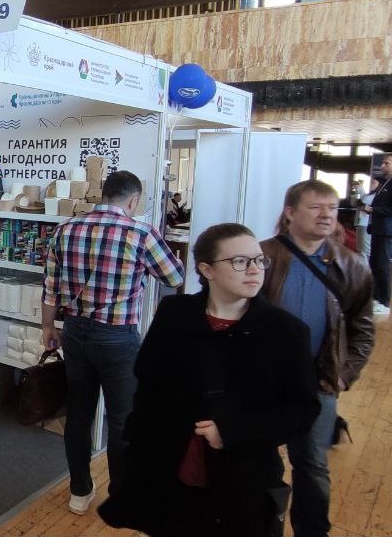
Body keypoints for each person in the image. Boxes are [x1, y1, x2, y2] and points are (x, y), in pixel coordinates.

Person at [99, 223, 320, 537]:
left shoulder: (286, 332)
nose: (254, 269)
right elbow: (148, 383)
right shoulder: (175, 313)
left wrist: (231, 432)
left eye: (259, 260)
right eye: (240, 261)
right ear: (207, 269)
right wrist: (135, 453)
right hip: (169, 470)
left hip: (241, 480)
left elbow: (301, 411)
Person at [41, 170, 184, 514]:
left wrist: (47, 327)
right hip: (117, 337)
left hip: (74, 331)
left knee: (79, 415)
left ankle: (79, 492)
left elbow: (50, 287)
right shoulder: (140, 232)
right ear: (133, 200)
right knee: (122, 419)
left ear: (103, 195)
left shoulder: (66, 229)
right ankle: (120, 494)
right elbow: (175, 277)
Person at [259, 180, 375, 537]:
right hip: (263, 380)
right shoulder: (262, 257)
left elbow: (362, 329)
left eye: (332, 207)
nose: (326, 214)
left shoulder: (351, 265)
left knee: (311, 465)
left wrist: (343, 374)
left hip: (318, 380)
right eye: (315, 207)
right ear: (290, 213)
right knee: (258, 461)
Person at [362, 154, 392, 315]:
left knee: (382, 265)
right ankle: (376, 297)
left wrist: (374, 210)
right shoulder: (384, 183)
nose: (382, 166)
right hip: (377, 228)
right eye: (383, 163)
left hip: (386, 230)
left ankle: (385, 302)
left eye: (386, 163)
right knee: (374, 264)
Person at [354, 178, 378, 261]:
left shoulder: (377, 196)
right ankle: (361, 263)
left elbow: (365, 201)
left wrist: (360, 188)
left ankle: (367, 264)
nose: (371, 185)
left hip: (367, 223)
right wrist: (359, 188)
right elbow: (361, 200)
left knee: (366, 246)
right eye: (370, 182)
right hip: (360, 222)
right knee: (359, 245)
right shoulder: (369, 194)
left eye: (373, 183)